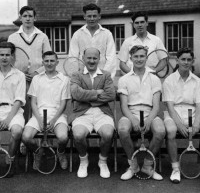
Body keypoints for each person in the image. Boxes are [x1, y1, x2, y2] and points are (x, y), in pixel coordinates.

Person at [117, 45, 165, 181]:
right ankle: (133, 166)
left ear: (146, 58)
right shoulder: (124, 79)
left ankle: (148, 166)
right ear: (131, 58)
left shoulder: (154, 78)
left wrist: (149, 120)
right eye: (136, 56)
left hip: (150, 112)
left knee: (160, 131)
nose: (139, 59)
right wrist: (133, 120)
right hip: (130, 112)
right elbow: (123, 106)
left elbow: (156, 106)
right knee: (122, 129)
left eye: (142, 56)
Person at [69, 47, 116, 178]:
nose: (91, 61)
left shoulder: (106, 75)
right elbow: (75, 93)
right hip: (82, 114)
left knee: (107, 134)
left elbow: (111, 94)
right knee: (78, 135)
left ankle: (103, 160)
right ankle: (84, 160)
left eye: (94, 58)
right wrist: (97, 93)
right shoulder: (76, 75)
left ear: (99, 59)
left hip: (103, 113)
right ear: (83, 59)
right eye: (89, 58)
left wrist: (86, 98)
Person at [22, 51, 70, 170]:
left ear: (57, 62)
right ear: (43, 63)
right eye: (47, 61)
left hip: (57, 116)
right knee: (26, 137)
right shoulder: (36, 79)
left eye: (52, 61)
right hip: (38, 115)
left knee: (63, 137)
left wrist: (53, 121)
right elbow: (33, 102)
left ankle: (60, 152)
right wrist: (39, 120)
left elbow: (63, 104)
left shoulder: (64, 79)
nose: (49, 63)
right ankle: (37, 152)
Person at [163, 47, 200, 184]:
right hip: (174, 113)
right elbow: (170, 106)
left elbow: (199, 106)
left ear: (192, 61)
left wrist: (196, 124)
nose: (186, 62)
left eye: (189, 59)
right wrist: (179, 124)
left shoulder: (197, 81)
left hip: (193, 113)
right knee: (171, 131)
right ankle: (175, 168)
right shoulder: (169, 80)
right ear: (177, 60)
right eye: (183, 59)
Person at [69, 3, 116, 79]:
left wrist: (103, 77)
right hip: (83, 77)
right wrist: (78, 76)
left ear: (99, 16)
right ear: (84, 17)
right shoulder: (77, 34)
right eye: (89, 16)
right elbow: (72, 58)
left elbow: (111, 58)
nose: (92, 19)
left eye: (94, 16)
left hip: (102, 76)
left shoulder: (107, 34)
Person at [0, 42, 26, 177]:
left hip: (14, 111)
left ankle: (9, 160)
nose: (4, 58)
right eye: (1, 54)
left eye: (7, 55)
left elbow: (19, 100)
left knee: (16, 132)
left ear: (12, 56)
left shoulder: (20, 75)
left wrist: (8, 118)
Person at [8, 6, 51, 81]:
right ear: (20, 18)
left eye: (30, 16)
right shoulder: (12, 38)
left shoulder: (43, 37)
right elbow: (9, 61)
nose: (28, 19)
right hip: (18, 79)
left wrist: (37, 72)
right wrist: (19, 74)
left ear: (34, 18)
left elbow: (49, 59)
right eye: (25, 16)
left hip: (40, 78)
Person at [118, 11, 167, 75]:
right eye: (137, 23)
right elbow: (122, 63)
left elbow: (163, 60)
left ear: (147, 23)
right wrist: (132, 74)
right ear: (133, 25)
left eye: (142, 22)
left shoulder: (156, 40)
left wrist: (154, 71)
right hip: (133, 77)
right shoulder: (127, 41)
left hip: (151, 76)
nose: (140, 25)